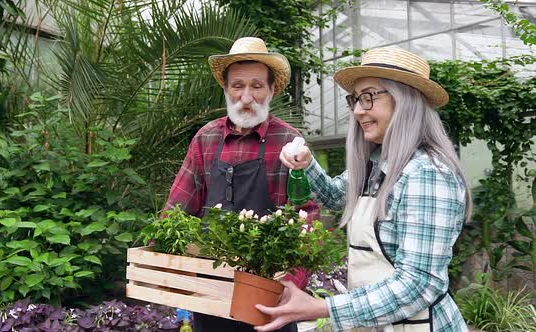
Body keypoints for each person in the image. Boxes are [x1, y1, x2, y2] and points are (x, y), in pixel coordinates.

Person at [255, 47, 472, 332]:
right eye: (355, 99)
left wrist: (322, 307)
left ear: (404, 100)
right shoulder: (378, 164)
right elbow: (335, 196)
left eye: (369, 97)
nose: (358, 110)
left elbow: (419, 284)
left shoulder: (427, 174)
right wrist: (306, 165)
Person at [163, 36, 319, 332]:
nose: (246, 97)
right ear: (226, 89)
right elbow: (177, 209)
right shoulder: (206, 139)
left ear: (272, 90)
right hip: (212, 294)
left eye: (257, 86)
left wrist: (292, 283)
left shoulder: (288, 140)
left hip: (269, 298)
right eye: (237, 86)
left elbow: (307, 216)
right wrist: (164, 266)